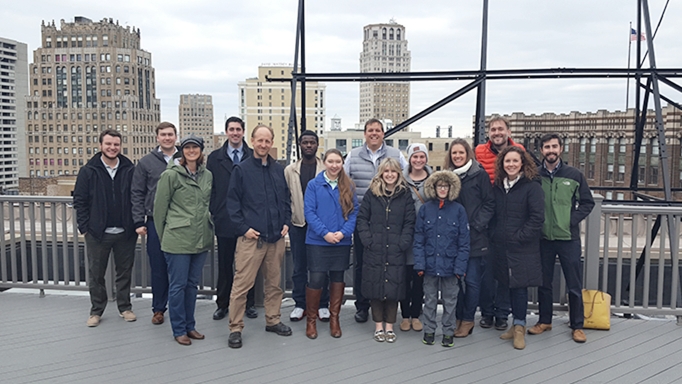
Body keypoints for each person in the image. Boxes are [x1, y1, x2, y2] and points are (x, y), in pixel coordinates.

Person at [227, 124, 293, 349]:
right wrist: (243, 228)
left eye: (268, 141)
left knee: (274, 284)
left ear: (271, 142)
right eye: (260, 140)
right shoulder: (241, 170)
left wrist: (286, 221)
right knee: (242, 285)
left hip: (275, 239)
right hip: (251, 240)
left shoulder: (278, 169)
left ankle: (273, 320)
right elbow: (232, 204)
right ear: (252, 141)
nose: (264, 144)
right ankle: (235, 327)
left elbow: (285, 199)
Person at [529, 133, 595, 343]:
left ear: (561, 148)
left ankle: (577, 325)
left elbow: (587, 202)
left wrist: (570, 220)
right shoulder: (534, 176)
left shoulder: (574, 174)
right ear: (542, 151)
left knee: (574, 284)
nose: (551, 150)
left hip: (568, 238)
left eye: (554, 146)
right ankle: (544, 321)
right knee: (544, 283)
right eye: (547, 147)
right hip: (543, 238)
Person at [344, 118, 408, 323]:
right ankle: (362, 306)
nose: (374, 133)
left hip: (392, 222)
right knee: (362, 265)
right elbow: (343, 184)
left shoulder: (396, 155)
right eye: (370, 130)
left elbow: (405, 181)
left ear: (383, 133)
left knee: (389, 265)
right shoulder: (353, 156)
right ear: (364, 133)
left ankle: (387, 308)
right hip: (365, 221)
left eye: (378, 130)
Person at [73, 129, 137, 327]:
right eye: (108, 144)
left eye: (116, 144)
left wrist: (135, 223)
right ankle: (96, 311)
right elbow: (80, 201)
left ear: (120, 146)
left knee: (124, 272)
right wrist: (84, 227)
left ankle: (125, 307)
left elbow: (136, 197)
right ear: (101, 145)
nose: (112, 148)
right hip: (97, 233)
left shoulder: (129, 168)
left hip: (125, 232)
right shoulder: (89, 171)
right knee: (96, 274)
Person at [153, 134, 213, 346]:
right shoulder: (171, 175)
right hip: (177, 239)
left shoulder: (207, 175)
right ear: (182, 151)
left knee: (191, 285)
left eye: (195, 148)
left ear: (201, 151)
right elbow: (159, 210)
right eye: (187, 147)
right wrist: (166, 237)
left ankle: (190, 325)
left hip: (200, 238)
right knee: (177, 286)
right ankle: (178, 329)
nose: (191, 151)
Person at [356, 158, 415, 343]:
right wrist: (368, 240)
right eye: (386, 171)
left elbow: (409, 221)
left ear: (398, 174)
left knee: (393, 288)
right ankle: (378, 326)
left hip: (396, 249)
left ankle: (390, 326)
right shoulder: (372, 193)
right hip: (375, 248)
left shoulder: (404, 194)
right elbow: (362, 219)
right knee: (375, 288)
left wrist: (403, 243)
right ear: (381, 173)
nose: (390, 175)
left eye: (393, 172)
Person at [491, 146, 544, 350]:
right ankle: (513, 326)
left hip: (522, 246)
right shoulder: (498, 186)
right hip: (501, 245)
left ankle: (520, 326)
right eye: (507, 161)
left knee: (520, 287)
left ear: (522, 163)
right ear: (502, 164)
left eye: (515, 161)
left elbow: (537, 218)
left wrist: (520, 237)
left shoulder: (532, 186)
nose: (511, 164)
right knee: (505, 283)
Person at [303, 148, 359, 338]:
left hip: (341, 243)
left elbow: (354, 213)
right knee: (316, 279)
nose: (334, 165)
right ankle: (311, 320)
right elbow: (309, 212)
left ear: (342, 164)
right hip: (318, 242)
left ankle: (334, 319)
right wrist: (325, 233)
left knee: (338, 279)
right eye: (331, 161)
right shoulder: (314, 185)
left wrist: (343, 234)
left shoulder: (349, 186)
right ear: (324, 162)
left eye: (338, 162)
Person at [206, 116, 257, 321]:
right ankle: (222, 303)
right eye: (231, 129)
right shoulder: (214, 157)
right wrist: (214, 211)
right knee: (225, 264)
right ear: (226, 131)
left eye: (238, 129)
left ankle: (249, 303)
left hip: (248, 220)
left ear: (243, 132)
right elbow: (210, 188)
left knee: (248, 265)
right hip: (225, 218)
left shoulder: (252, 155)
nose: (235, 133)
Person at [475, 116, 523, 330]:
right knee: (486, 269)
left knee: (505, 268)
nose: (497, 133)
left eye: (500, 129)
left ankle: (502, 313)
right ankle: (486, 312)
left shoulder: (519, 150)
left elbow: (530, 176)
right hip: (486, 216)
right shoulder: (478, 152)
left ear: (508, 131)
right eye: (493, 129)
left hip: (509, 214)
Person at [414, 170, 469, 347]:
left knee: (450, 301)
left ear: (451, 188)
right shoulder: (425, 209)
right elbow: (419, 239)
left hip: (451, 265)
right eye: (439, 186)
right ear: (434, 187)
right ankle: (429, 330)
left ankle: (448, 331)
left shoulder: (459, 210)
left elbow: (464, 242)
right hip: (429, 264)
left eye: (446, 186)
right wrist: (420, 264)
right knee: (429, 300)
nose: (442, 189)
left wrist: (460, 268)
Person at [446, 139, 495, 338]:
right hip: (453, 238)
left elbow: (489, 203)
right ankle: (457, 317)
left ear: (468, 154)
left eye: (461, 153)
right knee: (456, 281)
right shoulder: (448, 177)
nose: (457, 156)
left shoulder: (479, 175)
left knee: (473, 281)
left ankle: (468, 319)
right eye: (454, 153)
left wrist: (476, 225)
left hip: (475, 237)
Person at [131, 121, 178, 325]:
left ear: (176, 136)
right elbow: (137, 192)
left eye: (170, 134)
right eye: (163, 135)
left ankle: (181, 307)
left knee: (178, 266)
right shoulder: (146, 162)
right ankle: (159, 308)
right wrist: (138, 220)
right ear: (157, 137)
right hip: (154, 221)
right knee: (158, 266)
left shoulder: (185, 158)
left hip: (179, 221)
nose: (167, 138)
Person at [284, 130, 328, 323]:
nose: (308, 145)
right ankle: (300, 304)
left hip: (320, 226)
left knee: (320, 267)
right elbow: (286, 199)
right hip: (298, 224)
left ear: (317, 145)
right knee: (299, 267)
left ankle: (323, 304)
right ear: (299, 145)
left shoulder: (326, 169)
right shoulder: (290, 170)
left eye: (312, 142)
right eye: (305, 142)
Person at [399, 143, 432, 332]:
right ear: (409, 159)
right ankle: (404, 315)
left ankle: (416, 314)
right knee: (403, 278)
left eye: (421, 157)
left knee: (420, 278)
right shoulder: (401, 180)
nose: (418, 160)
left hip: (425, 238)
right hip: (405, 236)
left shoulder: (433, 180)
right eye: (415, 157)